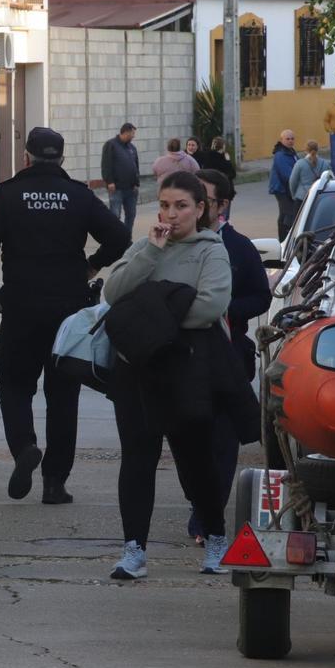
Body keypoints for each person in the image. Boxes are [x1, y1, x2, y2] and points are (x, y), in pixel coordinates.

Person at [0, 127, 130, 504]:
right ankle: (55, 482)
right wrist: (92, 265)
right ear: (62, 157)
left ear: (26, 158)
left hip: (21, 308)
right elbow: (120, 237)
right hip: (69, 312)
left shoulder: (6, 195)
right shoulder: (78, 195)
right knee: (63, 396)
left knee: (14, 385)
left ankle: (24, 446)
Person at [103, 171, 233, 579]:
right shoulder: (147, 247)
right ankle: (134, 550)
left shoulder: (212, 251)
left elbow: (210, 306)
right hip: (137, 369)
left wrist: (149, 318)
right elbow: (113, 293)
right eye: (163, 205)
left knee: (195, 459)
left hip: (188, 368)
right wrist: (151, 255)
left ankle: (214, 535)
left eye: (180, 206)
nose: (170, 214)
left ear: (200, 209)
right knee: (137, 457)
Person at [186, 169, 270, 544]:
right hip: (182, 361)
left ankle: (208, 517)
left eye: (204, 198)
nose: (197, 206)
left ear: (222, 205)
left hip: (227, 359)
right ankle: (200, 506)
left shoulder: (238, 247)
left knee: (222, 443)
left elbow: (261, 297)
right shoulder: (173, 245)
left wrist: (226, 308)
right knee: (192, 442)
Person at [100, 123, 141, 235]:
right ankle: (114, 238)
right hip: (117, 188)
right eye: (132, 133)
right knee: (115, 215)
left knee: (131, 215)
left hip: (131, 189)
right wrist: (109, 181)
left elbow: (136, 166)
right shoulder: (111, 145)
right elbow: (106, 165)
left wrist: (136, 183)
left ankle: (127, 238)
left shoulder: (132, 148)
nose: (133, 136)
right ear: (126, 132)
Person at [269, 130, 298, 241]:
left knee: (284, 213)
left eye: (292, 138)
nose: (290, 141)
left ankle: (283, 238)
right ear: (282, 140)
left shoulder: (291, 152)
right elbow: (287, 174)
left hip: (287, 187)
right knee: (288, 212)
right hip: (281, 188)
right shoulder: (280, 154)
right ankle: (284, 239)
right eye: (287, 139)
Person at [289, 140, 324, 208]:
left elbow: (292, 181)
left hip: (302, 197)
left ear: (305, 150)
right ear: (318, 150)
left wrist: (294, 195)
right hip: (319, 197)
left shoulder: (300, 164)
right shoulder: (325, 163)